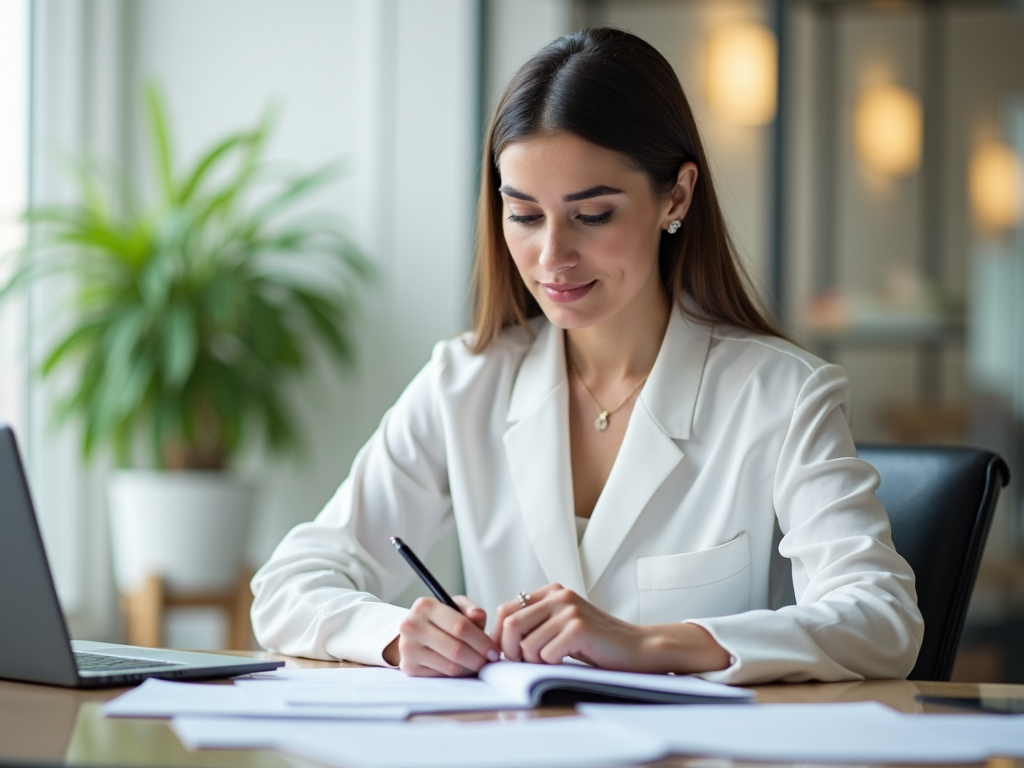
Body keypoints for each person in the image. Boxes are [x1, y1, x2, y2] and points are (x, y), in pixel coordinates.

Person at [251, 28, 923, 685]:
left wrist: (647, 641)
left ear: (676, 196)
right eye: (524, 214)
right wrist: (397, 635)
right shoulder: (465, 382)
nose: (552, 257)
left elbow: (882, 619)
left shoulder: (782, 394)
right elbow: (288, 585)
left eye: (592, 215)